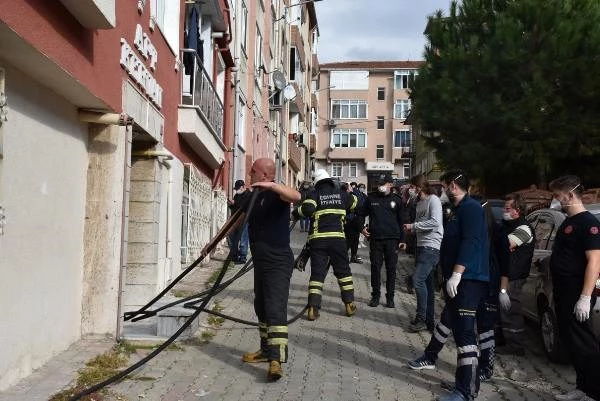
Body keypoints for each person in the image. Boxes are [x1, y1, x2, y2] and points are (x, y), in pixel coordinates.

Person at [408, 169, 489, 401]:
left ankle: (466, 392)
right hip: (457, 277)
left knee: (465, 336)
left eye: (444, 186)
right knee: (450, 323)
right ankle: (457, 381)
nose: (442, 191)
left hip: (469, 278)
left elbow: (470, 242)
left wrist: (457, 274)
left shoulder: (471, 209)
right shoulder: (456, 209)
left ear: (453, 185)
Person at [241, 158, 301, 381]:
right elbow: (237, 220)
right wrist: (213, 242)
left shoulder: (278, 194)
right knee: (261, 306)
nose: (249, 173)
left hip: (278, 260)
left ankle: (276, 360)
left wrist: (271, 186)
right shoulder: (252, 196)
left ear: (265, 175)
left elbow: (296, 196)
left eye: (253, 171)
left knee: (275, 307)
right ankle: (265, 350)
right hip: (261, 261)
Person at [548, 175, 600, 401]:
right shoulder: (568, 222)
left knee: (585, 343)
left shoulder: (588, 223)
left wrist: (585, 297)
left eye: (558, 196)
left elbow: (595, 261)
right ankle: (582, 386)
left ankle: (595, 392)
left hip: (577, 291)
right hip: (562, 291)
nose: (555, 200)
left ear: (570, 195)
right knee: (571, 341)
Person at [293, 169, 359, 321]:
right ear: (330, 180)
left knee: (317, 274)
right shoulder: (342, 194)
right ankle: (349, 304)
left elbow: (308, 209)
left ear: (316, 182)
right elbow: (356, 203)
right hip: (338, 240)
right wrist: (350, 191)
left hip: (319, 241)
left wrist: (296, 213)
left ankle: (313, 309)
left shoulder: (314, 194)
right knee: (343, 272)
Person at [404, 174, 444, 332]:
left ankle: (420, 318)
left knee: (417, 281)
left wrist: (413, 226)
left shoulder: (433, 200)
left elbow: (435, 222)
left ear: (419, 186)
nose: (411, 190)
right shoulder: (419, 203)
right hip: (421, 246)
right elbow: (421, 224)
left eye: (412, 187)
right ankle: (429, 321)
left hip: (431, 247)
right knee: (426, 284)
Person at [496, 193, 534, 356]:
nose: (504, 211)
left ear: (517, 210)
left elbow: (506, 245)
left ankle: (515, 345)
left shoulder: (523, 228)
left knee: (510, 310)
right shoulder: (507, 225)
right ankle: (502, 340)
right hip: (505, 274)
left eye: (508, 208)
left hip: (515, 276)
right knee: (502, 311)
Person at [361, 173, 404, 308]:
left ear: (390, 185)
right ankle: (375, 296)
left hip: (392, 240)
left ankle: (390, 297)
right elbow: (360, 214)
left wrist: (403, 240)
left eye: (382, 184)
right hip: (376, 239)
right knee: (375, 268)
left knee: (391, 269)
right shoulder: (371, 198)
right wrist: (361, 228)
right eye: (379, 183)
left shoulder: (397, 200)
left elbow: (402, 221)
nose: (380, 186)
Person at [227, 179, 251, 264]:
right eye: (236, 188)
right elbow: (235, 207)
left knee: (243, 239)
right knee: (230, 236)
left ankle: (242, 257)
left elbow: (243, 206)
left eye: (238, 188)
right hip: (235, 220)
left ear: (244, 186)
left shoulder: (249, 195)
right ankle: (234, 254)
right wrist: (231, 205)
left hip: (244, 220)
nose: (237, 190)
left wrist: (235, 203)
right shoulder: (237, 195)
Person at [346, 181, 366, 264]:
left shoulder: (355, 194)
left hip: (354, 220)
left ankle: (352, 257)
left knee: (352, 240)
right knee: (351, 240)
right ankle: (348, 257)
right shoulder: (356, 194)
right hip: (353, 220)